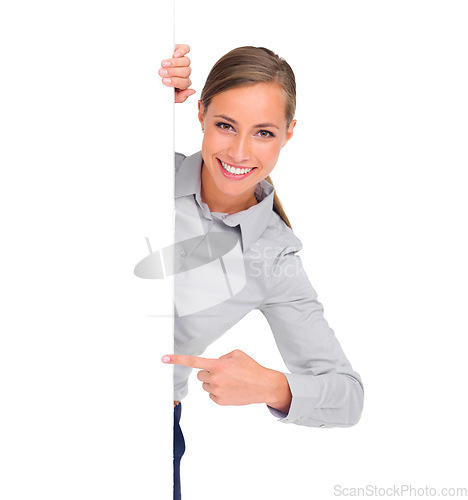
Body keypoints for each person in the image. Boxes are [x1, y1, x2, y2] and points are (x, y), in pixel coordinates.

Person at [158, 44, 364, 500]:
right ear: (200, 113)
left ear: (289, 134)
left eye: (264, 133)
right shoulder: (140, 170)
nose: (240, 151)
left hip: (146, 434)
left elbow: (348, 397)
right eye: (225, 125)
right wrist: (132, 98)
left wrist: (274, 386)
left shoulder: (274, 257)